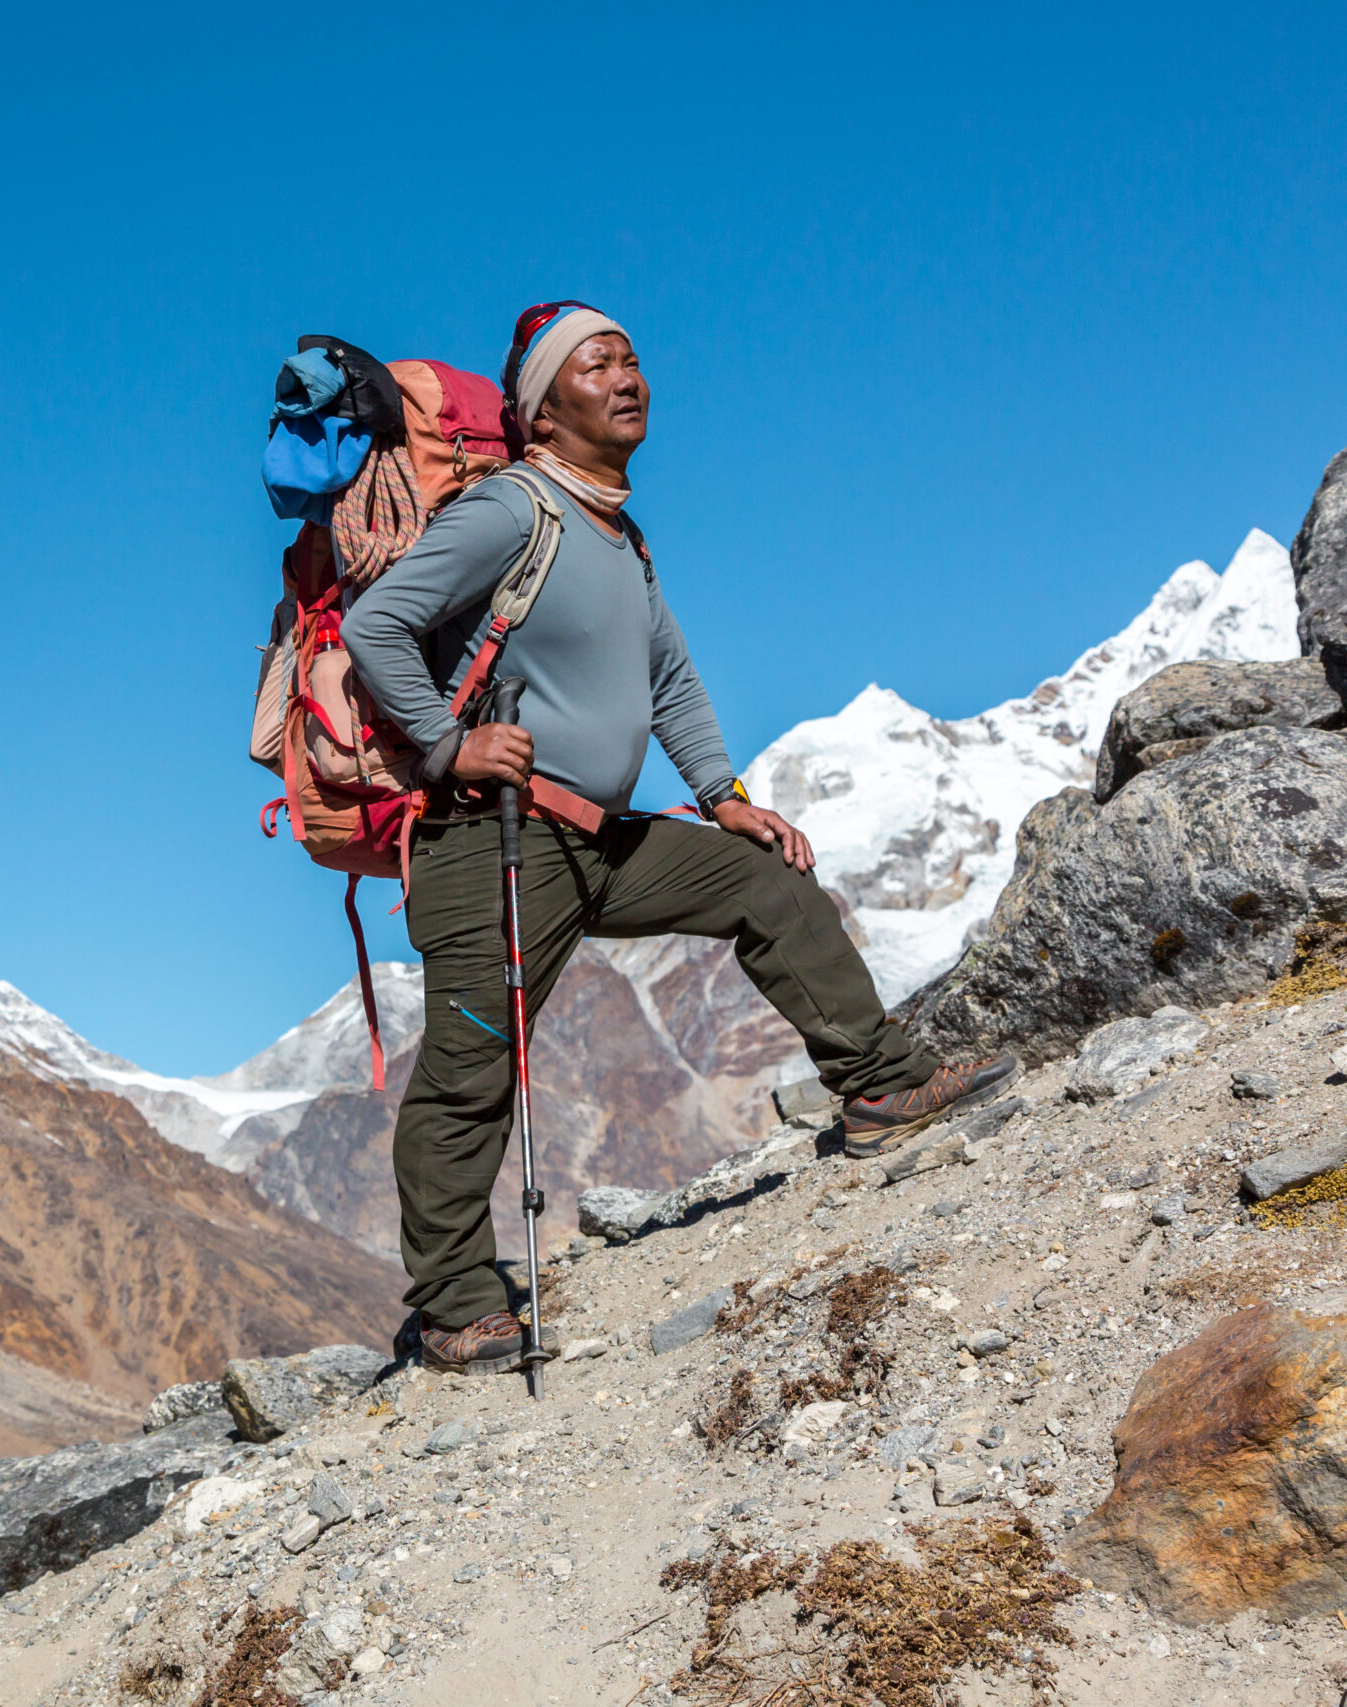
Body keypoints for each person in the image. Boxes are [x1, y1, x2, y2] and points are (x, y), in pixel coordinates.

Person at [339, 301, 1016, 1373]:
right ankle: (456, 1308)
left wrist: (723, 792)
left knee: (768, 882)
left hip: (598, 841)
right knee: (470, 1070)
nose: (626, 376)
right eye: (594, 363)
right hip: (493, 842)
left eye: (631, 358)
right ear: (542, 410)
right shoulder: (511, 512)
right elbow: (378, 625)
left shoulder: (618, 534)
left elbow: (666, 678)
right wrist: (445, 745)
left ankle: (881, 1086)